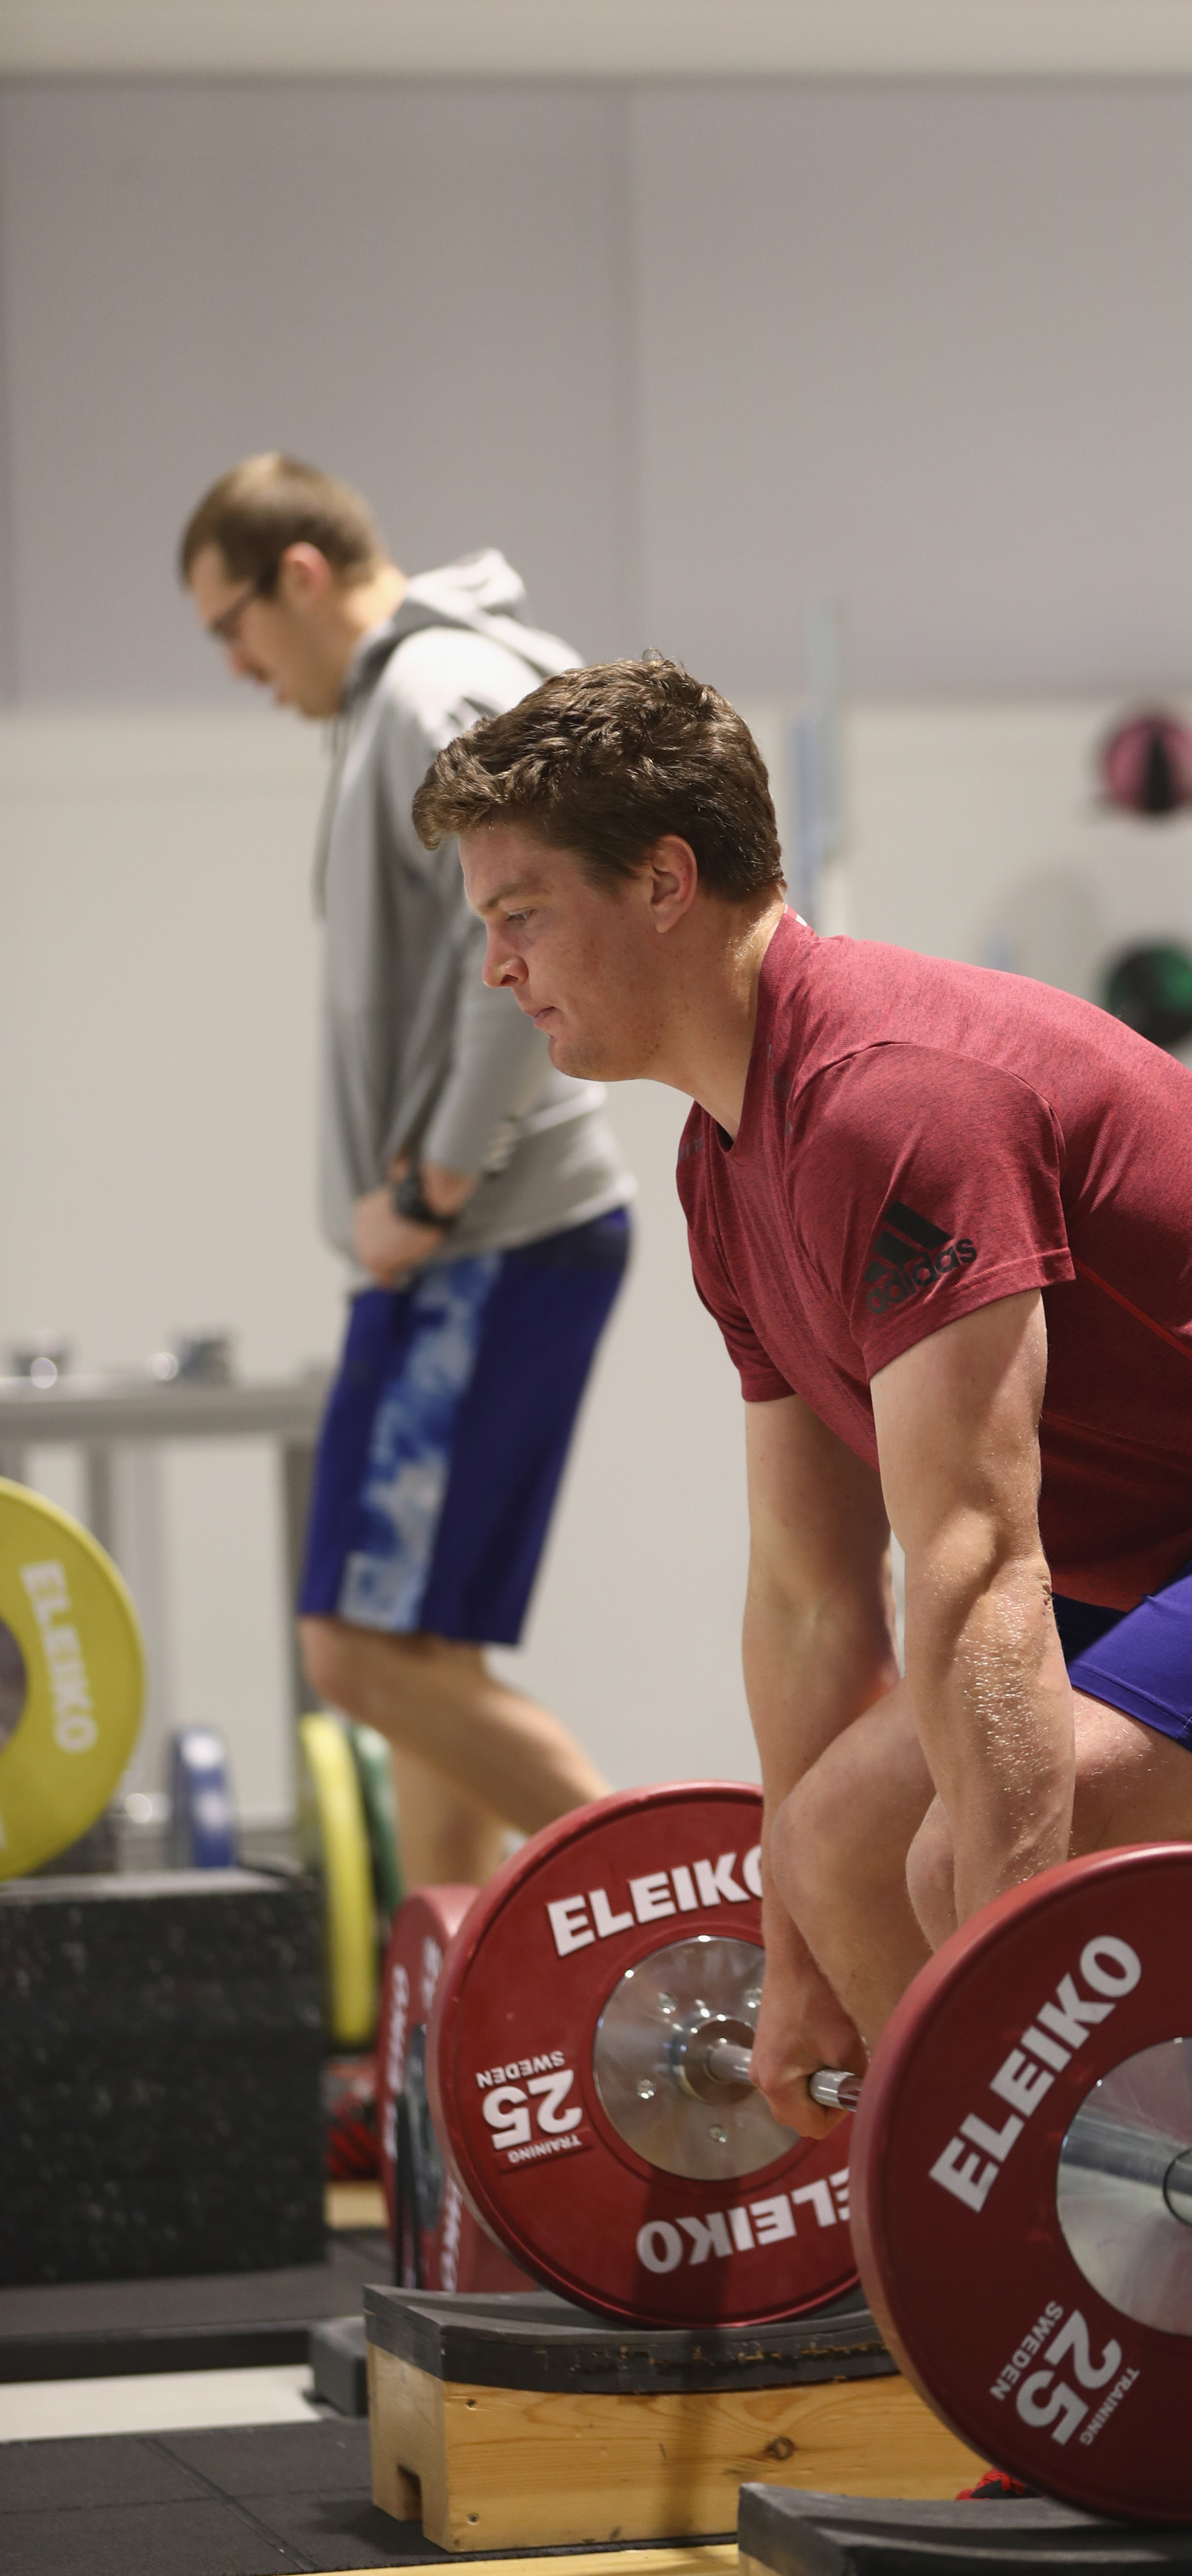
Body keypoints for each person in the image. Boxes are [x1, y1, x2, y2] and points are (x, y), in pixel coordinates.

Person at [411, 653, 1192, 2127]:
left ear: (667, 881)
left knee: (976, 1871)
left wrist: (1016, 1974)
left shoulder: (890, 1102)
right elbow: (814, 1595)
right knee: (836, 1850)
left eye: (523, 916)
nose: (501, 967)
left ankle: (1099, 2272)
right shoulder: (725, 1165)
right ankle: (1019, 2265)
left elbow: (979, 1557)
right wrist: (800, 1951)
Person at [181, 456, 634, 1884]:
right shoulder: (409, 699)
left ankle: (704, 1909)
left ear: (299, 575)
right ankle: (442, 2068)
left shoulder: (429, 696)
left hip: (481, 1234)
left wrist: (432, 1185)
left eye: (230, 627)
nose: (239, 667)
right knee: (427, 1661)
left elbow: (514, 944)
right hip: (480, 1235)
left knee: (359, 1652)